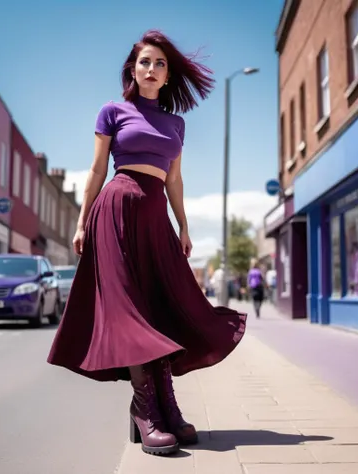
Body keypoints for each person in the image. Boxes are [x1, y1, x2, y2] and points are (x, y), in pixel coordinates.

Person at [47, 30, 247, 457]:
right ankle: (147, 411)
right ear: (132, 70)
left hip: (155, 216)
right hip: (115, 210)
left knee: (161, 306)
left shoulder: (176, 123)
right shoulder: (113, 112)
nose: (151, 70)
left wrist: (184, 226)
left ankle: (167, 407)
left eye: (159, 64)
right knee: (130, 310)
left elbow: (174, 179)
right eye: (144, 63)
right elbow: (97, 170)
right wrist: (82, 223)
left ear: (167, 74)